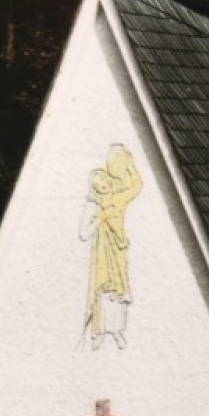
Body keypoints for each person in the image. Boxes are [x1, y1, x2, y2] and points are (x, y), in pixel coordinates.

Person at [79, 144, 143, 349]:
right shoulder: (95, 205)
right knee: (101, 288)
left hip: (118, 248)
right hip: (101, 251)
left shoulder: (117, 199)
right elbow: (83, 233)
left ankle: (117, 331)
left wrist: (130, 165)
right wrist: (98, 219)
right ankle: (98, 332)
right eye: (98, 188)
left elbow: (136, 186)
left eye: (105, 186)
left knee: (118, 290)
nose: (102, 190)